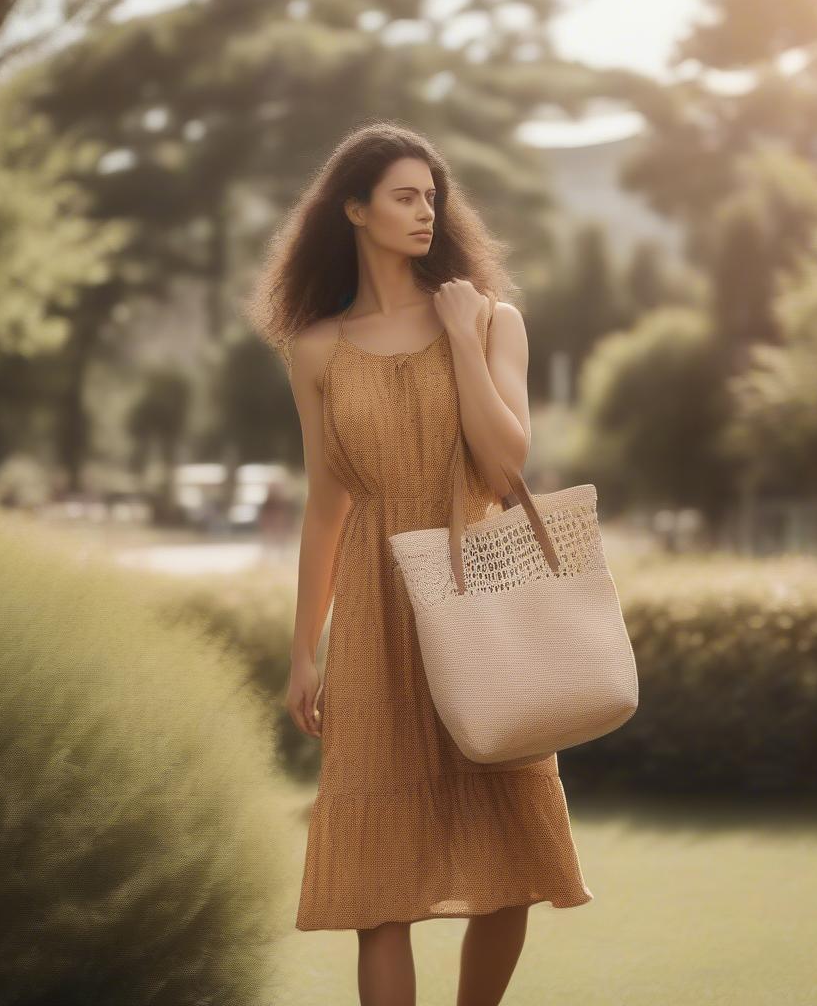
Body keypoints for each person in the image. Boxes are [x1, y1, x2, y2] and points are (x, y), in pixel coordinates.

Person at [246, 122, 593, 1006]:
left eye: (431, 196)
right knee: (377, 889)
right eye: (403, 195)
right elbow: (327, 504)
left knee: (510, 856)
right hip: (372, 608)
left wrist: (466, 338)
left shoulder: (490, 318)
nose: (423, 210)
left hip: (476, 593)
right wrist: (303, 648)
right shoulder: (316, 348)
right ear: (353, 209)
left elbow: (505, 463)